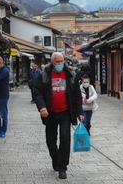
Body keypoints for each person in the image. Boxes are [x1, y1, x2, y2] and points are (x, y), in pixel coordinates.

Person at [34, 52, 84, 180]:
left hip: (66, 113)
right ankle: (55, 159)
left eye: (61, 61)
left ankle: (62, 167)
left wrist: (80, 113)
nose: (60, 64)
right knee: (50, 141)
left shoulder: (71, 75)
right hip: (50, 113)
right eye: (57, 62)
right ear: (52, 62)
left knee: (65, 139)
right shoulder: (44, 75)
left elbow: (77, 96)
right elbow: (38, 93)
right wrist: (42, 107)